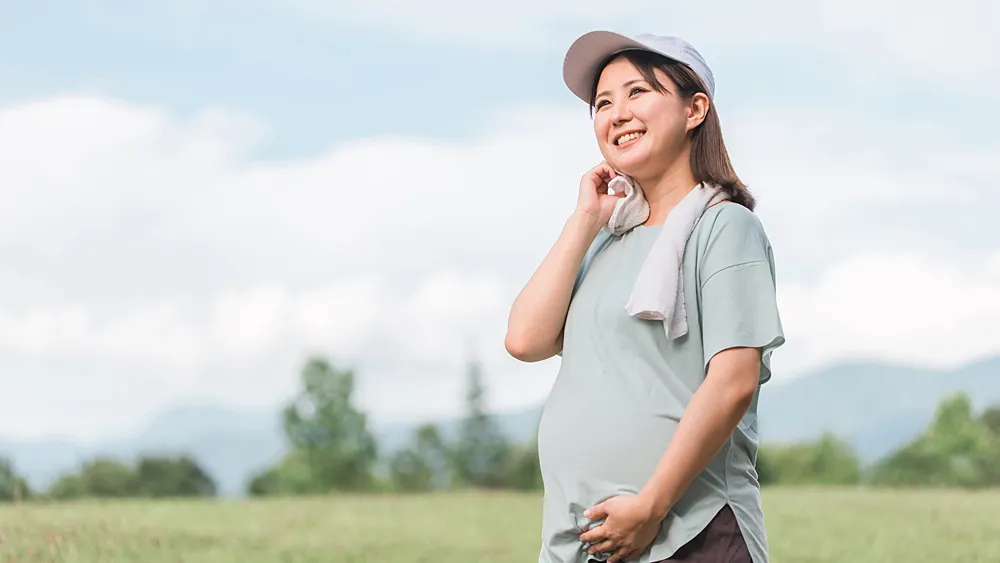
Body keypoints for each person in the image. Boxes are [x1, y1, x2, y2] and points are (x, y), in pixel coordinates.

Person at [504, 31, 785, 563]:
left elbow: (732, 383)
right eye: (603, 103)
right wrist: (585, 218)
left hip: (691, 533)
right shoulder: (606, 238)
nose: (617, 114)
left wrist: (651, 506)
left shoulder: (724, 227)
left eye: (637, 93)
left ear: (694, 109)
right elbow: (524, 340)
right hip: (583, 542)